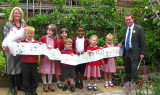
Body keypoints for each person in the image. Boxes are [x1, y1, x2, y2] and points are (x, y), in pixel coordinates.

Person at [2, 7, 27, 95]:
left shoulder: (24, 23)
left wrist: (25, 38)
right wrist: (16, 40)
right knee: (11, 67)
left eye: (19, 13)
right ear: (13, 14)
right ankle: (12, 87)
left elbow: (27, 34)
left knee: (20, 67)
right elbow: (6, 37)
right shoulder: (8, 24)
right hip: (11, 49)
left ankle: (20, 86)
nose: (17, 15)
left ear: (21, 15)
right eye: (16, 13)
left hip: (21, 49)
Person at [118, 14, 145, 84]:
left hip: (135, 52)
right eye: (126, 20)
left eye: (129, 19)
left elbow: (143, 42)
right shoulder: (125, 29)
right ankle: (128, 84)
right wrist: (121, 43)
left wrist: (142, 53)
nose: (128, 21)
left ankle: (136, 85)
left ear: (133, 19)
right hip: (126, 52)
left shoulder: (139, 29)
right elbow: (124, 39)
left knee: (134, 69)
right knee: (127, 69)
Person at [39, 24, 57, 92]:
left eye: (51, 31)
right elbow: (39, 45)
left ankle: (50, 83)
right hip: (44, 57)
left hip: (51, 58)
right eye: (49, 30)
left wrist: (56, 49)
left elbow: (55, 48)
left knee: (50, 71)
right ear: (47, 30)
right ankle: (45, 84)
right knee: (44, 71)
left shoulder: (54, 40)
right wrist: (41, 45)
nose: (50, 32)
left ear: (54, 32)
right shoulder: (43, 38)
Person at [21, 26, 38, 95]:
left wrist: (41, 45)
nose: (30, 34)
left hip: (34, 62)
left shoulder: (37, 43)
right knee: (26, 77)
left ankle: (33, 90)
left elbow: (41, 49)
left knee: (34, 77)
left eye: (31, 33)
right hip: (25, 62)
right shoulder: (22, 43)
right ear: (25, 34)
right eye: (28, 33)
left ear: (34, 34)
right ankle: (27, 90)